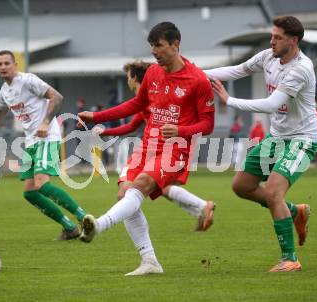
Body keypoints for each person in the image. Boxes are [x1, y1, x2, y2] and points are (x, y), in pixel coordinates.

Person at [78, 22, 215, 275]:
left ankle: (99, 225)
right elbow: (134, 105)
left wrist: (181, 131)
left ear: (176, 44)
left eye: (159, 46)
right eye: (151, 46)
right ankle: (149, 261)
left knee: (139, 185)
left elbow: (207, 124)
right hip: (148, 147)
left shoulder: (198, 80)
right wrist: (97, 117)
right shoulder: (153, 72)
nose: (154, 51)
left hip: (175, 150)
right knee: (125, 195)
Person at [205, 16, 317, 272]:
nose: (272, 41)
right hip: (277, 137)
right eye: (272, 35)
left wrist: (229, 100)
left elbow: (270, 105)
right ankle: (294, 212)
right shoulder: (268, 56)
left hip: (302, 140)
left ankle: (290, 259)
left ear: (294, 40)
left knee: (273, 192)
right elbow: (237, 70)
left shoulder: (301, 69)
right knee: (241, 186)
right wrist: (191, 75)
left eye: (278, 37)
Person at [0, 50, 88, 241]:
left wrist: (44, 123)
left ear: (14, 65)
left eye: (6, 63)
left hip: (47, 137)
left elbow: (57, 97)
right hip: (31, 142)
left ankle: (85, 219)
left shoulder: (28, 80)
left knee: (42, 184)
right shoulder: (5, 92)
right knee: (30, 193)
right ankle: (69, 228)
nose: (2, 67)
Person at [96, 60, 215, 231]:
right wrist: (105, 132)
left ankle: (203, 206)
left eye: (128, 76)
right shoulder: (147, 97)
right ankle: (201, 209)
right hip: (154, 149)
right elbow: (132, 125)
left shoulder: (153, 97)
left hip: (170, 148)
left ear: (134, 78)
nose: (127, 80)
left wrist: (104, 129)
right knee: (157, 188)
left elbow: (131, 125)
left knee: (143, 189)